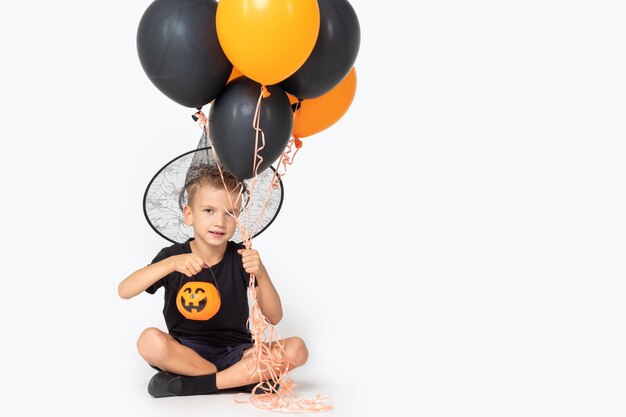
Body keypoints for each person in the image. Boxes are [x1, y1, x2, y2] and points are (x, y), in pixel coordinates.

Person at [118, 163, 308, 398]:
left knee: (297, 349)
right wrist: (170, 265)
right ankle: (242, 379)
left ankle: (198, 384)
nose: (220, 221)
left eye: (230, 213)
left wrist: (261, 273)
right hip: (187, 353)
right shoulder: (172, 257)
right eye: (209, 210)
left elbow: (274, 317)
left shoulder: (240, 257)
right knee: (148, 341)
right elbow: (124, 290)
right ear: (189, 215)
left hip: (238, 352)